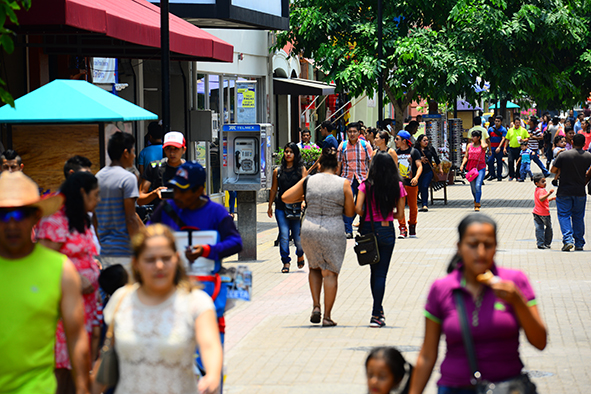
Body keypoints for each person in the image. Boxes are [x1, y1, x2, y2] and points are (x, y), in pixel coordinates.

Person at [409, 214, 547, 394]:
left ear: (496, 247)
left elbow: (540, 342)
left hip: (506, 387)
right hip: (454, 388)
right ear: (459, 247)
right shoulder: (442, 288)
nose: (481, 253)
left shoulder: (515, 282)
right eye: (472, 245)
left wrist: (518, 301)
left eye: (488, 245)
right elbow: (427, 355)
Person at [92, 224, 223, 394]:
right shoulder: (121, 299)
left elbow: (210, 345)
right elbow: (107, 357)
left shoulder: (196, 301)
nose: (159, 265)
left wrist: (212, 376)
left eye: (166, 258)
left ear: (177, 259)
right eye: (150, 259)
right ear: (136, 263)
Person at [0, 172, 90, 394]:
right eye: (3, 215)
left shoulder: (60, 269)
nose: (12, 224)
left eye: (21, 214)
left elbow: (77, 336)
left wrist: (82, 388)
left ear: (36, 217)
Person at [36, 171, 101, 393]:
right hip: (64, 309)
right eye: (96, 195)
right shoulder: (56, 220)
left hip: (85, 306)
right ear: (82, 193)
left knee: (79, 364)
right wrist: (75, 279)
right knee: (62, 366)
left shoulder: (80, 218)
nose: (98, 200)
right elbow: (42, 263)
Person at [282, 147, 355, 327]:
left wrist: (305, 197)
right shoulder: (343, 183)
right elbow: (350, 212)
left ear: (319, 166)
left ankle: (316, 306)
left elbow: (285, 197)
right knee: (330, 272)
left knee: (314, 267)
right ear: (338, 167)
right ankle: (327, 316)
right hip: (334, 230)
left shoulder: (309, 181)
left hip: (309, 229)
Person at [148, 161, 243, 263]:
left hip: (206, 275)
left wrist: (206, 250)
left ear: (198, 190)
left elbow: (236, 242)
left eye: (182, 191)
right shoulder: (166, 208)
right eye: (175, 190)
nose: (176, 196)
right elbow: (147, 234)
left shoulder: (216, 211)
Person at [355, 152, 406, 327]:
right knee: (382, 273)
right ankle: (377, 313)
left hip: (369, 229)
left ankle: (378, 310)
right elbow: (400, 214)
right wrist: (387, 215)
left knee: (373, 271)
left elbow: (357, 208)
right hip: (386, 230)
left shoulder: (365, 185)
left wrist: (369, 214)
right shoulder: (397, 186)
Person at [95, 131, 142, 273]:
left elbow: (94, 218)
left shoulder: (98, 176)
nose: (134, 156)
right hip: (124, 250)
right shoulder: (128, 178)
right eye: (133, 152)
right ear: (125, 153)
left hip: (104, 250)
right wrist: (139, 248)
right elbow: (131, 218)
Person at [267, 143, 308, 273]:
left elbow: (307, 188)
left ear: (295, 154)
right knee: (284, 235)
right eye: (286, 151)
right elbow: (274, 189)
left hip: (296, 208)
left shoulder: (302, 170)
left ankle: (300, 253)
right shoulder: (277, 171)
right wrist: (269, 206)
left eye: (291, 152)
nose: (288, 154)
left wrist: (304, 202)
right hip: (281, 207)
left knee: (298, 237)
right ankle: (286, 262)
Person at [550, 133, 591, 252]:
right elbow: (589, 173)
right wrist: (585, 180)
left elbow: (553, 170)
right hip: (580, 191)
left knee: (564, 215)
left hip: (564, 190)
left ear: (572, 142)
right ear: (584, 144)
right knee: (578, 217)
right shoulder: (588, 156)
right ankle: (579, 242)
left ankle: (568, 240)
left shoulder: (564, 155)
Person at [337, 122, 373, 238]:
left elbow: (371, 163)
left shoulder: (365, 145)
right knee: (347, 205)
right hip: (347, 180)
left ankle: (363, 229)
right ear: (347, 133)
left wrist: (369, 178)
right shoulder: (342, 146)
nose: (352, 134)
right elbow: (338, 165)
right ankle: (348, 230)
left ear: (359, 132)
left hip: (363, 180)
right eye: (350, 132)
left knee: (362, 206)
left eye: (354, 132)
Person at [138, 131, 187, 206]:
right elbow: (140, 200)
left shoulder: (191, 170)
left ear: (184, 150)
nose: (172, 153)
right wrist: (155, 193)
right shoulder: (154, 167)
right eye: (168, 148)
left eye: (176, 148)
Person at [394, 130, 422, 238]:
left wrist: (416, 177)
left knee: (413, 206)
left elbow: (419, 166)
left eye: (397, 139)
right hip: (399, 183)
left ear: (404, 141)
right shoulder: (395, 153)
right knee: (400, 206)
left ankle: (412, 226)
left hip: (411, 183)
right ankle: (402, 229)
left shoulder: (414, 152)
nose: (395, 141)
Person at [459, 129, 486, 211]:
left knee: (478, 185)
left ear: (478, 137)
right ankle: (476, 199)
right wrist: (462, 164)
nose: (472, 138)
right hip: (471, 168)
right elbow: (466, 156)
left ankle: (477, 203)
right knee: (473, 188)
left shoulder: (482, 145)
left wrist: (481, 140)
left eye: (474, 136)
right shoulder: (469, 146)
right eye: (472, 136)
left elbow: (485, 146)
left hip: (480, 167)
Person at [414, 134, 441, 212]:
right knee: (418, 188)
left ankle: (424, 205)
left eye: (427, 140)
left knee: (425, 186)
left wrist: (440, 168)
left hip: (428, 171)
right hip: (418, 172)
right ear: (419, 141)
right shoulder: (415, 149)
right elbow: (411, 158)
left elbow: (436, 158)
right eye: (424, 140)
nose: (426, 142)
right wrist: (420, 159)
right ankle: (414, 203)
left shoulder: (430, 148)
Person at [532, 173, 555, 250]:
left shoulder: (537, 190)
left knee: (539, 228)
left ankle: (540, 243)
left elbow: (541, 200)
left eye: (545, 181)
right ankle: (547, 243)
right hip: (544, 213)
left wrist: (551, 199)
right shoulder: (542, 190)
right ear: (537, 183)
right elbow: (541, 199)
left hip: (536, 212)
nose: (545, 183)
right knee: (548, 227)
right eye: (542, 182)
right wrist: (549, 193)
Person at [504, 116, 529, 181]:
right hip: (511, 148)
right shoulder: (510, 130)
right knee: (510, 161)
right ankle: (511, 175)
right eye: (516, 123)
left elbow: (527, 138)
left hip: (520, 149)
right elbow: (507, 140)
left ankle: (518, 175)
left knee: (519, 163)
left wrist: (523, 140)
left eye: (519, 122)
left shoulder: (523, 130)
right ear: (514, 123)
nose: (517, 124)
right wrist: (504, 148)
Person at [486, 115, 507, 181]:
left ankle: (499, 175)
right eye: (496, 121)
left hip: (499, 149)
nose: (496, 122)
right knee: (490, 161)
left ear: (501, 122)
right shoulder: (490, 129)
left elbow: (503, 139)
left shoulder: (503, 129)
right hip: (491, 148)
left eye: (498, 121)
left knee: (499, 162)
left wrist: (499, 147)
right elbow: (488, 138)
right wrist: (488, 148)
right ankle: (492, 175)